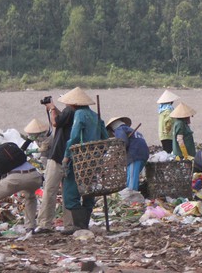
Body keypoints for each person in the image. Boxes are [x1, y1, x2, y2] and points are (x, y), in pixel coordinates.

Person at [61, 87, 109, 232]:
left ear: (74, 104)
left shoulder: (80, 114)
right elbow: (105, 138)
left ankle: (79, 225)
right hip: (94, 159)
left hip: (80, 158)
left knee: (70, 191)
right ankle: (84, 224)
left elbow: (75, 137)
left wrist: (66, 156)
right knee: (88, 190)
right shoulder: (96, 116)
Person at [35, 100, 76, 234]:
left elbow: (55, 122)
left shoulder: (69, 111)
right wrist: (54, 109)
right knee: (68, 192)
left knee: (49, 190)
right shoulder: (79, 114)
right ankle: (70, 224)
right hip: (71, 159)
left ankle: (45, 224)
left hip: (58, 156)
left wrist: (52, 108)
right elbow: (61, 119)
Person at [0, 141, 43, 234]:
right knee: (30, 197)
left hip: (17, 179)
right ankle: (30, 227)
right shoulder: (16, 155)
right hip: (35, 176)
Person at [106, 116, 149, 191]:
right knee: (132, 175)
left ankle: (131, 198)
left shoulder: (119, 130)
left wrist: (117, 152)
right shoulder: (130, 130)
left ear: (112, 128)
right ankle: (131, 194)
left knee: (132, 178)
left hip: (135, 155)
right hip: (144, 154)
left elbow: (123, 142)